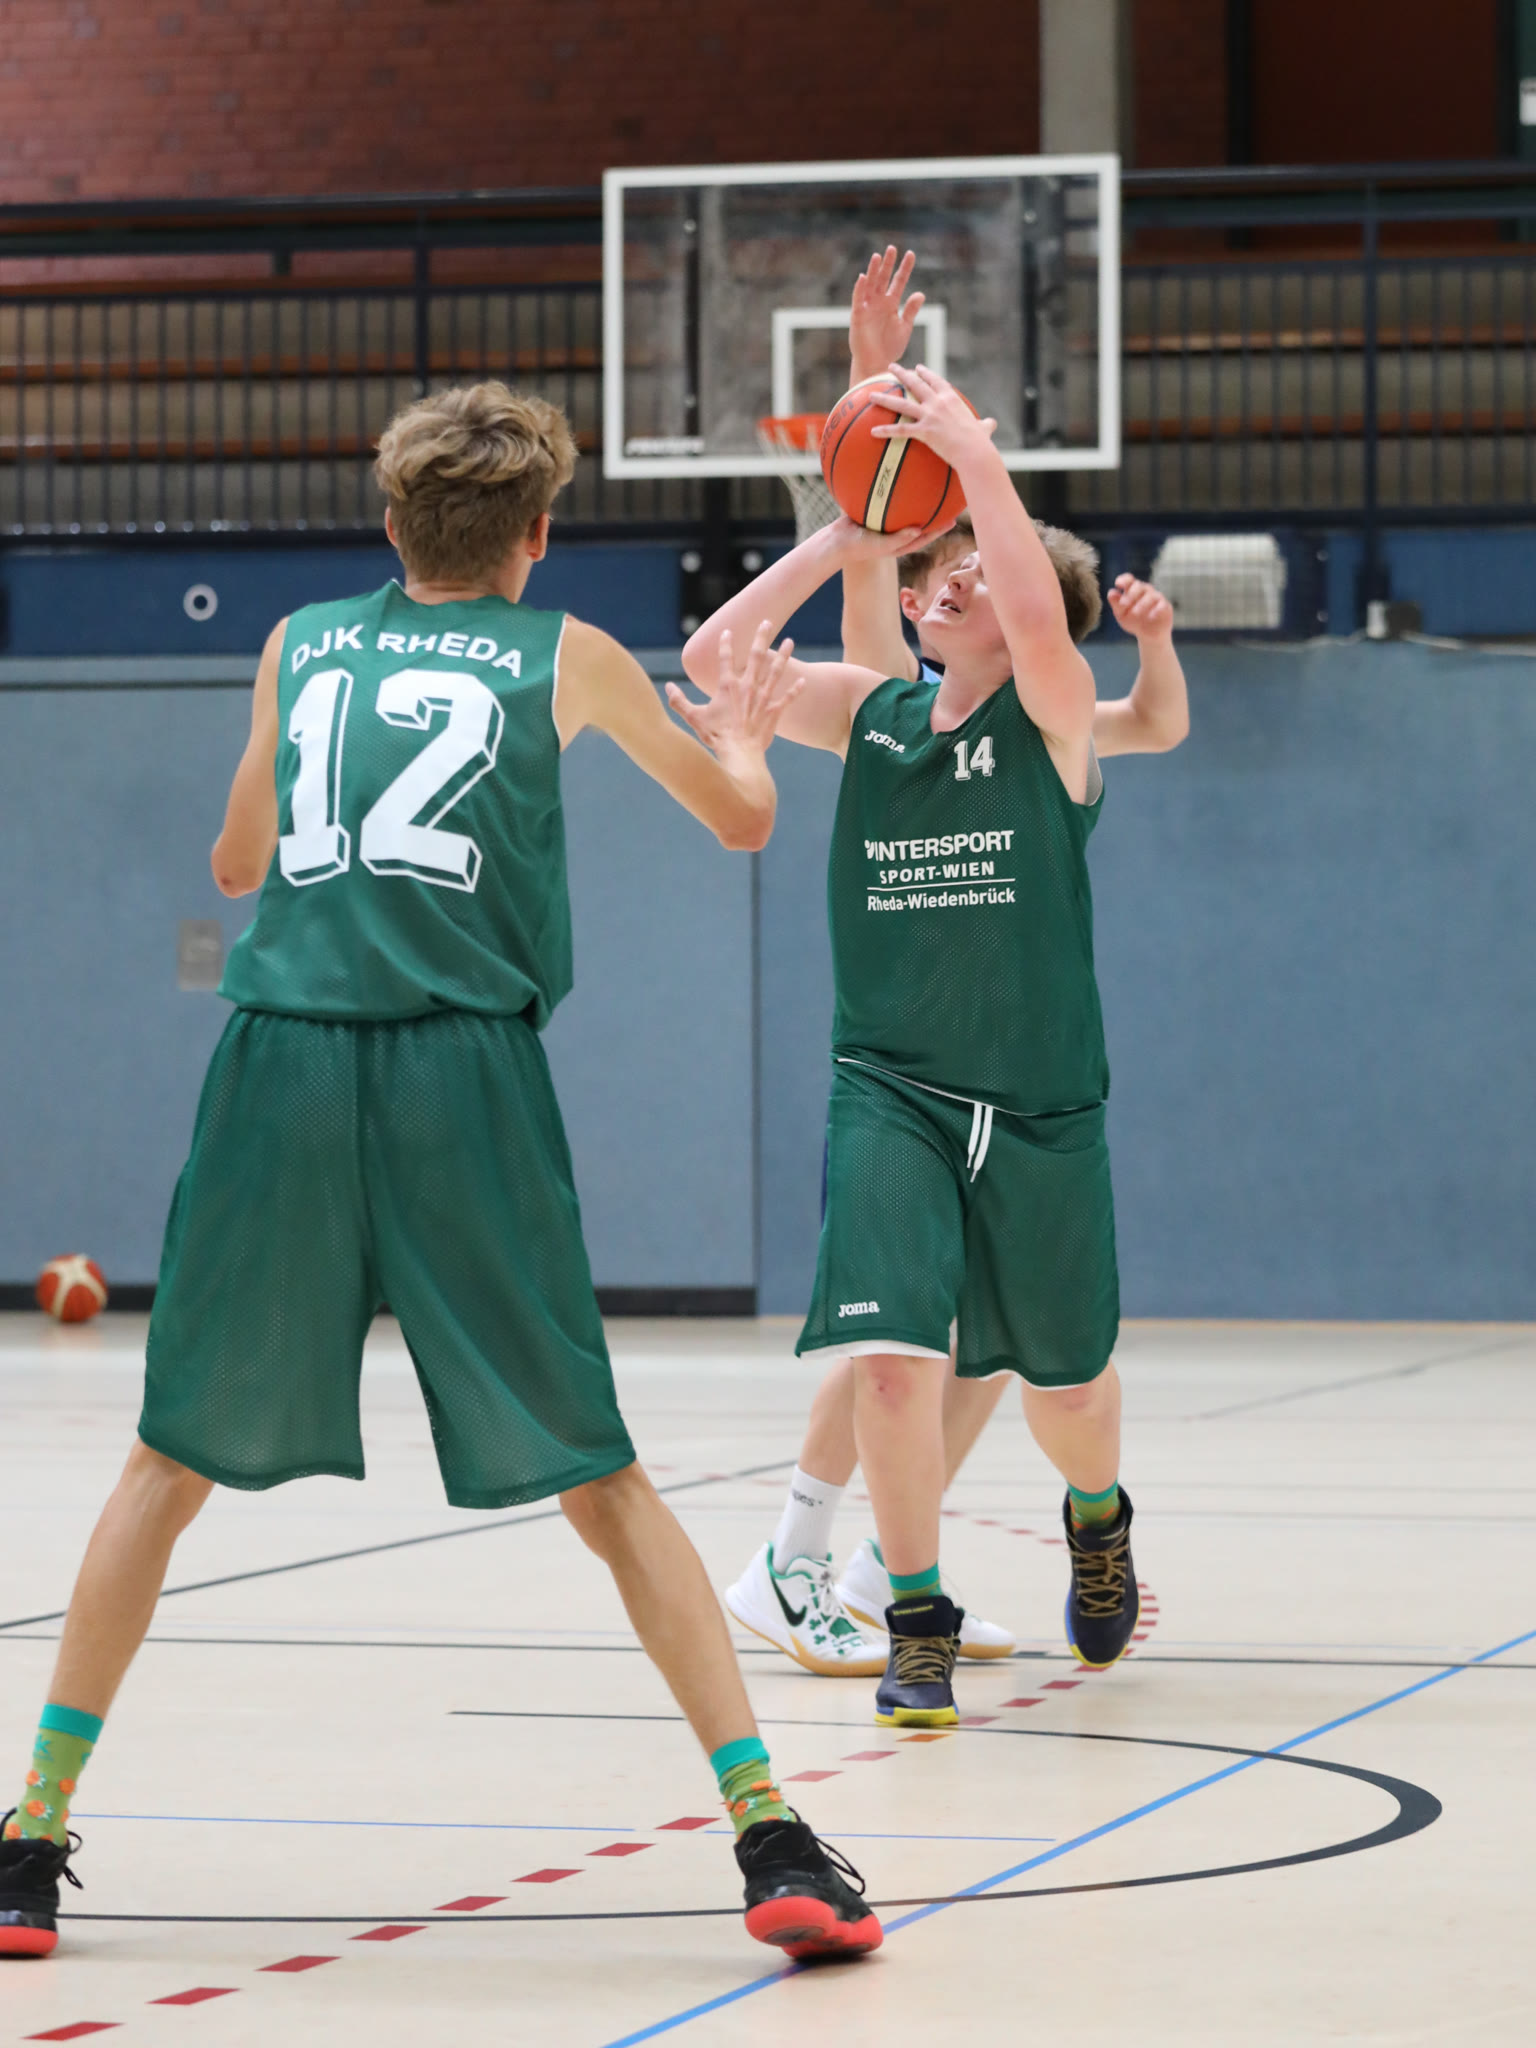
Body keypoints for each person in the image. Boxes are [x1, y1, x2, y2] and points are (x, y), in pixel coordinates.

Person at [0, 383, 881, 1965]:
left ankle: (29, 1840)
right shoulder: (572, 656)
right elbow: (744, 820)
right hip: (460, 1077)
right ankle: (768, 1834)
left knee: (165, 1464)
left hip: (278, 1065)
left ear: (392, 522)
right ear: (538, 536)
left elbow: (235, 864)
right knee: (602, 1478)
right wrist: (745, 739)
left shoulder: (297, 643)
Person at [683, 349, 1185, 1728]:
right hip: (890, 1088)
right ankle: (914, 1617)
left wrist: (975, 460)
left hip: (1038, 1103)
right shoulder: (872, 716)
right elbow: (718, 661)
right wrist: (845, 535)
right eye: (938, 569)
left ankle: (1098, 1516)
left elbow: (1035, 608)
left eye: (975, 569)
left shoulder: (1055, 722)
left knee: (1066, 1389)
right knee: (897, 1366)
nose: (953, 578)